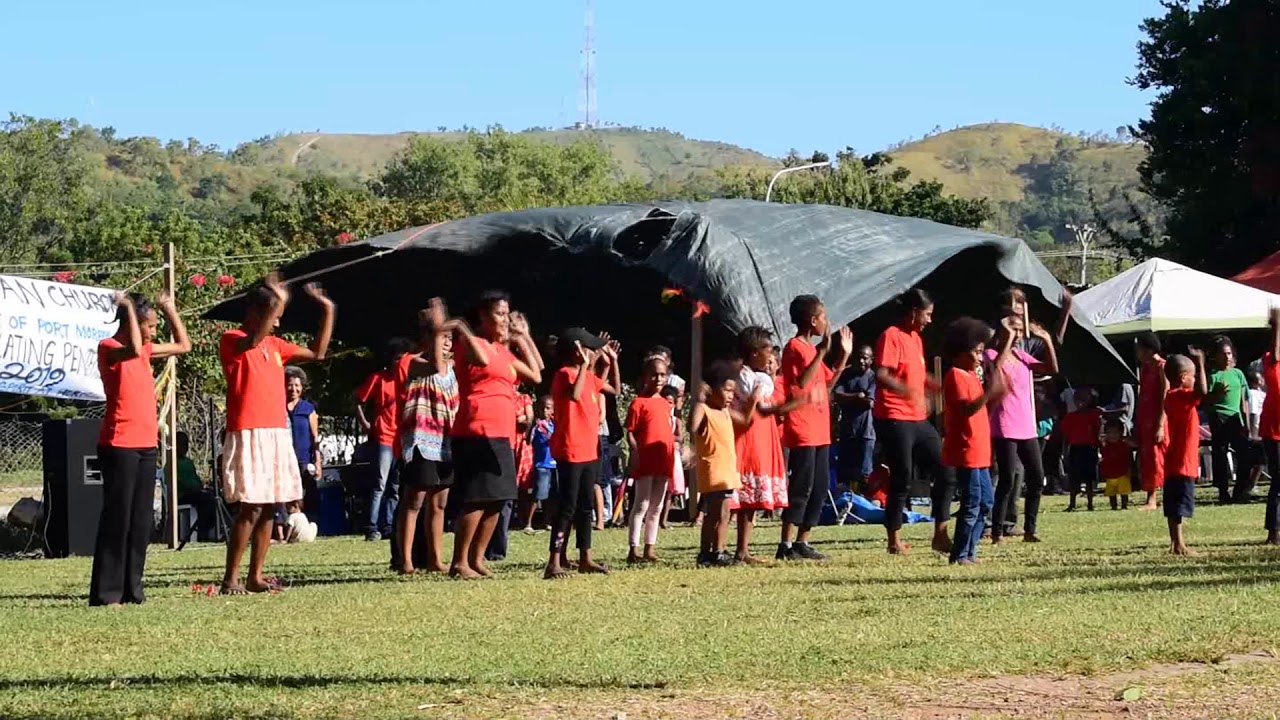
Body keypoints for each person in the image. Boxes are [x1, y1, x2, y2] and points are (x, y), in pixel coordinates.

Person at [219, 275, 334, 595]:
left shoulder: (275, 346)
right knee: (251, 506)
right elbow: (251, 341)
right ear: (255, 312)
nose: (278, 321)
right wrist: (278, 300)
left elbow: (318, 353)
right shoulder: (233, 339)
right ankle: (231, 578)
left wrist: (327, 310)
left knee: (270, 506)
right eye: (274, 314)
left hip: (276, 431)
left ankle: (255, 576)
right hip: (249, 430)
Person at [90, 292, 191, 607]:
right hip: (119, 443)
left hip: (147, 443)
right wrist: (129, 309)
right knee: (117, 518)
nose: (153, 332)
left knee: (140, 520)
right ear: (132, 322)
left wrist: (169, 309)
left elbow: (183, 345)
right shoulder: (109, 347)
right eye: (150, 325)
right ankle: (107, 593)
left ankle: (133, 589)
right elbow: (133, 347)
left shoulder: (146, 349)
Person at [447, 293, 543, 579]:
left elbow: (536, 374)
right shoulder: (471, 343)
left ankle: (477, 559)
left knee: (499, 498)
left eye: (507, 314)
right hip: (477, 429)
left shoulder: (503, 352)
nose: (505, 320)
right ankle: (459, 562)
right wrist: (461, 327)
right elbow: (481, 358)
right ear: (483, 316)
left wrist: (524, 337)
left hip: (503, 433)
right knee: (478, 497)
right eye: (500, 314)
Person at [874, 288, 954, 555]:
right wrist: (907, 390)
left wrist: (937, 386)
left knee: (946, 468)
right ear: (913, 312)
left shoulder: (916, 339)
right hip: (894, 416)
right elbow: (882, 374)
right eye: (927, 314)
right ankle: (893, 539)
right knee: (902, 476)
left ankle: (940, 534)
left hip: (918, 418)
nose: (930, 320)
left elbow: (918, 375)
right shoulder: (891, 336)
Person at [777, 294, 853, 561]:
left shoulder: (812, 350)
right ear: (812, 320)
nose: (826, 322)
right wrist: (821, 352)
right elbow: (800, 383)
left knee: (820, 487)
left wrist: (843, 356)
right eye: (823, 317)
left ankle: (803, 541)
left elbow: (827, 385)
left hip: (820, 428)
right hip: (803, 427)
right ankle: (785, 544)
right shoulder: (795, 347)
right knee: (802, 486)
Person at [986, 297, 1064, 544]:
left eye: (1021, 330)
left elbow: (1051, 369)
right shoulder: (990, 354)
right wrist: (1007, 338)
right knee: (1007, 479)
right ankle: (997, 531)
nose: (1019, 335)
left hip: (1026, 425)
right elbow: (996, 370)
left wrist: (1047, 340)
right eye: (1014, 329)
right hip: (1004, 425)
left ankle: (1030, 529)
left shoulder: (1021, 356)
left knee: (1036, 476)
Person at [544, 329, 616, 579]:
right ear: (577, 351)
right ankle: (554, 561)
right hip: (570, 450)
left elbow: (614, 390)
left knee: (586, 507)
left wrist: (610, 363)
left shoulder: (588, 377)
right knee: (567, 506)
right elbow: (574, 395)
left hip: (589, 450)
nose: (594, 353)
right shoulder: (564, 374)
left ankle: (585, 556)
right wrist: (586, 365)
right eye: (590, 349)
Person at [392, 302, 457, 574]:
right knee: (414, 500)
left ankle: (435, 559)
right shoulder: (411, 362)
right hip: (421, 440)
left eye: (449, 337)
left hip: (446, 440)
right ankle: (406, 560)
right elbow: (433, 367)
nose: (446, 341)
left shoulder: (454, 366)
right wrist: (438, 324)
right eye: (441, 336)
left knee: (439, 503)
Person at [942, 317, 1010, 566]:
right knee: (971, 503)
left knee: (985, 502)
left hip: (980, 450)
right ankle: (960, 554)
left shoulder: (971, 375)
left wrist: (995, 395)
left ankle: (971, 551)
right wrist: (989, 393)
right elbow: (966, 409)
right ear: (961, 352)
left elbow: (980, 409)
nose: (981, 358)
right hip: (967, 450)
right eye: (977, 352)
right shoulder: (956, 375)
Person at [732, 327, 798, 564]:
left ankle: (743, 550)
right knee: (740, 496)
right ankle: (719, 549)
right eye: (767, 350)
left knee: (752, 498)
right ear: (753, 353)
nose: (771, 356)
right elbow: (759, 406)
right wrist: (795, 403)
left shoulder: (761, 377)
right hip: (748, 437)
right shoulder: (744, 376)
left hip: (762, 435)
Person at [693, 360, 760, 567]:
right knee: (720, 514)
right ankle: (716, 552)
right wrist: (699, 399)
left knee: (717, 513)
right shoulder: (704, 409)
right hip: (714, 470)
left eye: (733, 391)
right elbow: (692, 427)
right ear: (711, 390)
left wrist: (753, 401)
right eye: (727, 390)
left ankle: (708, 553)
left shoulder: (725, 412)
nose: (731, 395)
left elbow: (745, 421)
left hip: (726, 470)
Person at [356, 338, 412, 541]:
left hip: (402, 438)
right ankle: (371, 527)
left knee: (395, 486)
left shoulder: (408, 382)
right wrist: (366, 424)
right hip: (383, 436)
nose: (400, 363)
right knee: (380, 484)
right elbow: (358, 400)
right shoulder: (379, 378)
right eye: (397, 359)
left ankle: (388, 525)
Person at [625, 356, 676, 564]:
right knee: (642, 504)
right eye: (654, 375)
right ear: (646, 376)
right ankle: (633, 549)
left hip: (663, 458)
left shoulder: (665, 403)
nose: (659, 379)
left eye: (663, 375)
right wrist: (634, 452)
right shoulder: (638, 403)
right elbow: (630, 431)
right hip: (645, 458)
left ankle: (650, 547)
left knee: (657, 505)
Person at [1163, 349, 1208, 556]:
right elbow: (1202, 392)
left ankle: (1176, 543)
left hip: (1174, 460)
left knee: (1173, 505)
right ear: (1183, 378)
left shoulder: (1171, 397)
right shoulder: (1181, 396)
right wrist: (1200, 362)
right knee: (1179, 504)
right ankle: (1179, 545)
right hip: (1183, 461)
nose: (1195, 379)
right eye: (1193, 376)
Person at [1205, 335, 1252, 504]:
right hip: (1218, 416)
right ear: (1216, 356)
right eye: (1223, 354)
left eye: (1229, 353)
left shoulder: (1238, 374)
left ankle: (1240, 490)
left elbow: (1243, 401)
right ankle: (1223, 491)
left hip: (1236, 418)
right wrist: (1217, 394)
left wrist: (1246, 423)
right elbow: (1205, 401)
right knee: (1220, 454)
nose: (1227, 357)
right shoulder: (1213, 376)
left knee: (1245, 454)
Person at [834, 345, 877, 496]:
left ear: (871, 360)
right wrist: (857, 396)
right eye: (859, 357)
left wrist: (849, 398)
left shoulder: (872, 377)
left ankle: (863, 500)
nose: (861, 361)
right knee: (844, 471)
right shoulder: (846, 374)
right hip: (847, 431)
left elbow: (869, 402)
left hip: (866, 432)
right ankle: (845, 500)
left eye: (865, 358)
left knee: (865, 472)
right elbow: (836, 395)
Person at [1135, 332, 1170, 511]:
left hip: (1158, 419)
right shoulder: (1146, 368)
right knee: (1147, 458)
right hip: (1145, 418)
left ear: (1148, 349)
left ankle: (1154, 498)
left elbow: (1165, 396)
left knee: (1156, 457)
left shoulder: (1162, 367)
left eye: (1139, 348)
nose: (1137, 352)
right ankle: (1150, 495)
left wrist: (1160, 424)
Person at [516, 395, 555, 532]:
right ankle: (528, 523)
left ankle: (547, 521)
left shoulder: (554, 425)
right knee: (538, 495)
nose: (545, 411)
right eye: (543, 408)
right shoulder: (537, 426)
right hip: (541, 464)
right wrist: (533, 427)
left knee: (550, 496)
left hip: (553, 464)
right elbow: (529, 440)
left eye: (548, 408)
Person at [285, 366, 321, 512]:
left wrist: (318, 462)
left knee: (305, 496)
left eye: (297, 385)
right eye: (290, 385)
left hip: (304, 460)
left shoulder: (308, 409)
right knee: (288, 497)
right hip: (285, 460)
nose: (293, 389)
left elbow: (315, 437)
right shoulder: (279, 408)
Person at [1060, 388, 1102, 512]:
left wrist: (1100, 448)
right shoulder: (1071, 417)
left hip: (1090, 448)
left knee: (1089, 479)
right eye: (1077, 398)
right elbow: (1066, 437)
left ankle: (1090, 503)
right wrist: (1064, 452)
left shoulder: (1095, 415)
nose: (1080, 401)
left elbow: (1098, 432)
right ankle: (1072, 503)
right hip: (1076, 449)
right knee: (1074, 478)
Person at [1100, 418, 1134, 511]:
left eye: (1115, 433)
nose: (1112, 435)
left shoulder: (1123, 445)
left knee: (1124, 491)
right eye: (1109, 433)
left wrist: (1129, 470)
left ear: (1120, 433)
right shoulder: (1105, 446)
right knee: (1111, 492)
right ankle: (1113, 506)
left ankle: (1124, 505)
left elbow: (1128, 458)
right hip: (1110, 473)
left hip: (1123, 473)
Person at [175, 431, 204, 505]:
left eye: (186, 444)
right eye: (182, 444)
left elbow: (195, 477)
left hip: (195, 492)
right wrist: (193, 487)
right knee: (207, 499)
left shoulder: (188, 462)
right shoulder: (172, 463)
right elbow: (179, 482)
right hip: (182, 496)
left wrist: (200, 485)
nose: (185, 447)